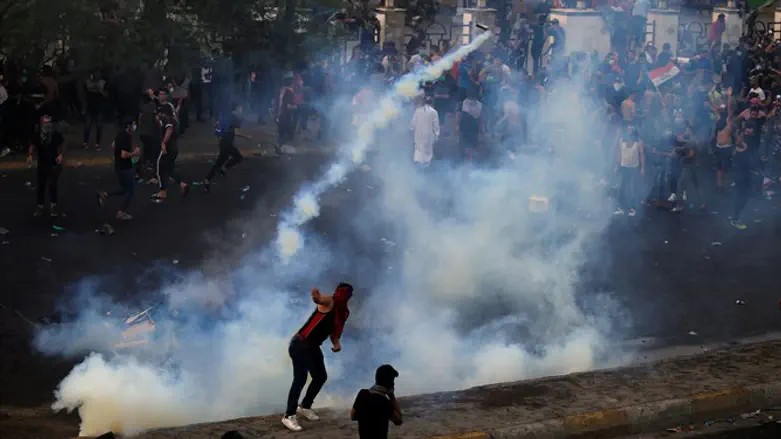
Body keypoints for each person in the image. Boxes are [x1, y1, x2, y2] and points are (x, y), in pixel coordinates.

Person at [282, 283, 354, 432]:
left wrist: (336, 344)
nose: (342, 296)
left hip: (313, 347)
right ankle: (289, 415)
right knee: (300, 379)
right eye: (341, 292)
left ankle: (305, 406)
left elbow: (334, 334)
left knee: (320, 376)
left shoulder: (343, 313)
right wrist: (315, 296)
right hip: (300, 344)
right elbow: (319, 300)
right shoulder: (330, 301)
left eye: (346, 294)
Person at [97, 118, 141, 220]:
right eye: (133, 124)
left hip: (118, 167)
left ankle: (105, 195)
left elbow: (113, 146)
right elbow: (124, 155)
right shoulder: (126, 137)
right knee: (130, 191)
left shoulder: (120, 134)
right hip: (125, 168)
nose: (134, 126)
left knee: (124, 189)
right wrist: (135, 153)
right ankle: (121, 212)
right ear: (129, 126)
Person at [203, 103, 251, 192]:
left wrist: (220, 135)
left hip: (224, 142)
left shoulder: (226, 116)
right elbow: (237, 129)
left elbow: (218, 128)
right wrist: (246, 136)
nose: (241, 110)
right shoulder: (234, 117)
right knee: (237, 157)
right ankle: (214, 175)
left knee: (220, 161)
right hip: (227, 143)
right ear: (237, 109)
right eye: (240, 108)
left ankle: (209, 179)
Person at [351, 364, 403, 439]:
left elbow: (353, 416)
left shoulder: (362, 394)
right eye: (393, 380)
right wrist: (392, 396)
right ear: (390, 383)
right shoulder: (384, 402)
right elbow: (399, 421)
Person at [28, 114, 65, 217]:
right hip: (42, 164)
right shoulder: (37, 135)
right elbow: (33, 146)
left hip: (53, 163)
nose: (48, 125)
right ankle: (40, 206)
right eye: (45, 123)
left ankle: (53, 206)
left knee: (52, 185)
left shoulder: (55, 135)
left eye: (49, 123)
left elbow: (62, 144)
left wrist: (61, 155)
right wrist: (30, 155)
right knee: (41, 186)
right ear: (41, 124)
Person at [152, 112, 190, 201]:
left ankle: (162, 191)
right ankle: (182, 184)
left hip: (168, 149)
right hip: (173, 149)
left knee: (159, 168)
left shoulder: (167, 120)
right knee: (169, 169)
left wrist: (163, 143)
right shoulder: (172, 119)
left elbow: (169, 129)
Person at [410, 96, 440, 169]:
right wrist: (437, 135)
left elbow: (413, 124)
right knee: (427, 151)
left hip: (418, 134)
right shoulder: (434, 112)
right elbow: (436, 126)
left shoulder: (417, 111)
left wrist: (411, 130)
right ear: (431, 103)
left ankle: (417, 167)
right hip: (429, 135)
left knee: (418, 149)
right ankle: (426, 168)